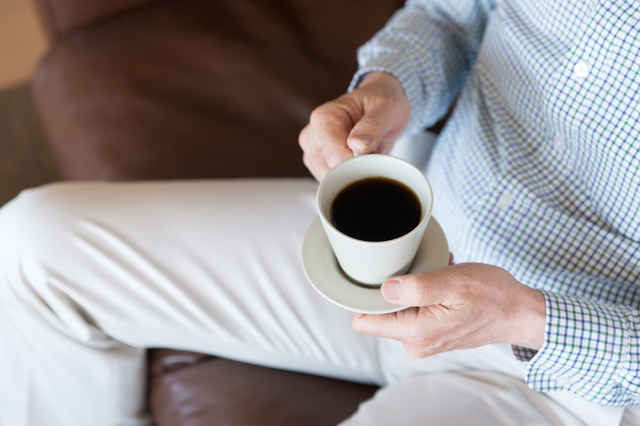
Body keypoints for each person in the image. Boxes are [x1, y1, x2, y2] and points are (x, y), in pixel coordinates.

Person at [1, 0, 639, 425]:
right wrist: (388, 87)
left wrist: (531, 318)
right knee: (33, 250)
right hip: (416, 226)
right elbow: (450, 13)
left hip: (559, 370)